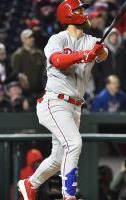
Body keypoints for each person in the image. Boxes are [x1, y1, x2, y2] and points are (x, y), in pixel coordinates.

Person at [17, 0, 108, 199]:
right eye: (80, 9)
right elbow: (58, 61)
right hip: (54, 102)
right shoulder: (57, 39)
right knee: (74, 144)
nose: (84, 12)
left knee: (59, 158)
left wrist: (99, 51)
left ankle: (30, 184)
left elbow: (104, 55)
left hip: (75, 106)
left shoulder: (92, 40)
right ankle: (69, 196)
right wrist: (84, 55)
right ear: (69, 14)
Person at [11, 29, 45, 99]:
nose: (32, 39)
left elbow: (44, 71)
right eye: (29, 37)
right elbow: (15, 73)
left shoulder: (39, 53)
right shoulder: (18, 55)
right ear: (23, 40)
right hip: (25, 93)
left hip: (40, 91)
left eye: (32, 37)